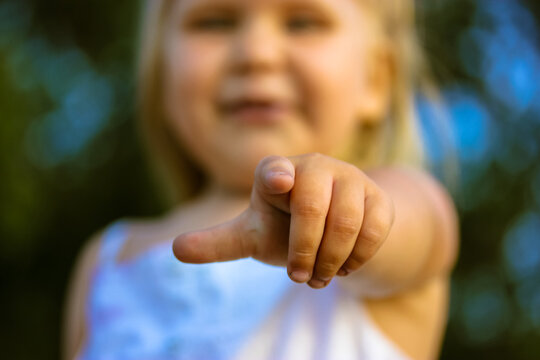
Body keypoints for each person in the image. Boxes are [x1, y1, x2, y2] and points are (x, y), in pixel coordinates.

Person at [63, 0, 459, 359]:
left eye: (303, 23)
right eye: (214, 22)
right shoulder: (107, 261)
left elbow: (426, 224)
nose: (255, 53)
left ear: (376, 79)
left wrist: (346, 215)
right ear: (162, 69)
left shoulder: (393, 209)